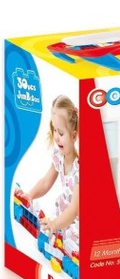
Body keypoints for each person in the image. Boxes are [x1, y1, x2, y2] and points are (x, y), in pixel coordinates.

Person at [16, 95, 79, 245]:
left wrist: (55, 224)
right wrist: (30, 195)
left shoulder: (79, 170)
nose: (56, 137)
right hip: (63, 215)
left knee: (68, 241)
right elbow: (46, 182)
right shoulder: (59, 157)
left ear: (73, 136)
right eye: (54, 130)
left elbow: (74, 209)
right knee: (51, 233)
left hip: (77, 221)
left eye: (61, 133)